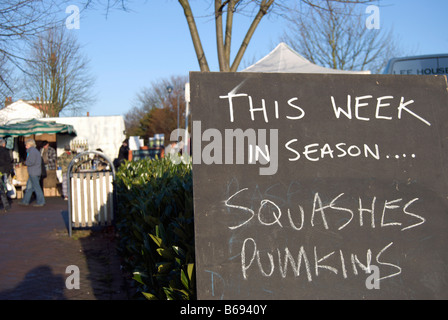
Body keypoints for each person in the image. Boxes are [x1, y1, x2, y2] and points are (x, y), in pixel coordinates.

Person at [19, 138, 45, 207]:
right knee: (29, 187)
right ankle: (25, 201)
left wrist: (25, 162)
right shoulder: (34, 151)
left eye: (26, 145)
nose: (25, 146)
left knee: (36, 187)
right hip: (34, 172)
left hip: (34, 172)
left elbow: (31, 162)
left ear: (30, 144)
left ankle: (41, 201)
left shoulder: (32, 152)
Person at [0, 138, 12, 211]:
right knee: (2, 189)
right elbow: (9, 161)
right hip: (4, 171)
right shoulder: (6, 151)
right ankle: (6, 206)